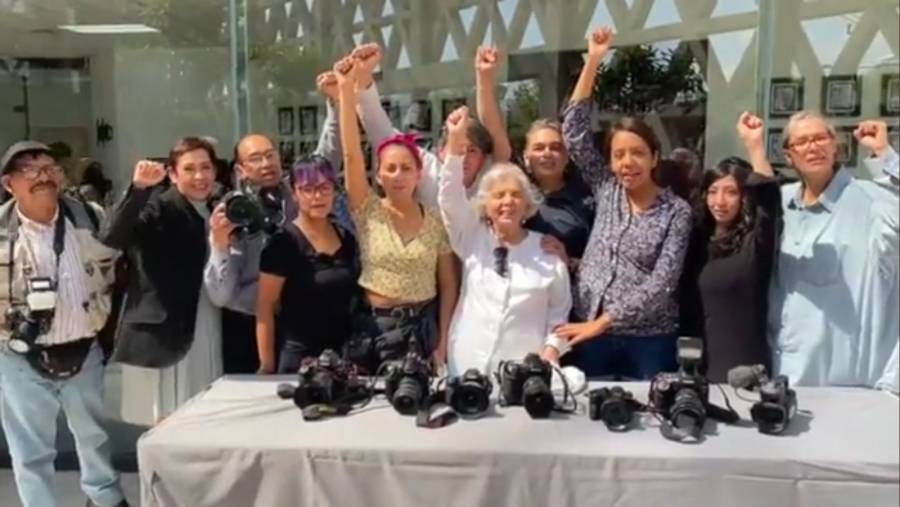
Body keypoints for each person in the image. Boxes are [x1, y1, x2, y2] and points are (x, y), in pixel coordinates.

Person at [554, 27, 693, 379]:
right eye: (619, 155)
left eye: (637, 154)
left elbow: (661, 284)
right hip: (589, 335)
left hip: (648, 341)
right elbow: (572, 130)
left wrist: (603, 322)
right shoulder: (607, 189)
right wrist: (594, 60)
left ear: (654, 158)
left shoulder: (676, 212)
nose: (627, 162)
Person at [0, 141, 128, 507]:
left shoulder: (87, 216)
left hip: (83, 349)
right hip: (18, 358)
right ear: (9, 184)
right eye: (30, 171)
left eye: (49, 168)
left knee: (95, 439)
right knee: (30, 449)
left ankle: (105, 500)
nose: (43, 177)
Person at [741, 111, 899, 391]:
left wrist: (883, 152)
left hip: (844, 380)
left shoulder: (868, 200)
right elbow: (764, 199)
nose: (813, 147)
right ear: (789, 155)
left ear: (835, 146)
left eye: (820, 138)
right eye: (802, 141)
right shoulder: (785, 201)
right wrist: (754, 146)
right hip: (783, 371)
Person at [204, 71, 345, 374]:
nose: (266, 163)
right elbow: (220, 295)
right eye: (256, 159)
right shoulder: (233, 211)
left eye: (270, 155)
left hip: (298, 325)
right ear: (240, 169)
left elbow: (327, 157)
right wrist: (219, 245)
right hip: (246, 328)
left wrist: (335, 103)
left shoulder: (295, 194)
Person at [335, 56, 458, 372]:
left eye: (407, 168)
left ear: (420, 174)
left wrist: (444, 339)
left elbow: (448, 285)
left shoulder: (434, 220)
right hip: (377, 331)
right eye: (390, 168)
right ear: (378, 175)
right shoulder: (368, 210)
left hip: (424, 329)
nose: (399, 175)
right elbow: (350, 155)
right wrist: (345, 92)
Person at [438, 108, 571, 376]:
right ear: (485, 205)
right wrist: (454, 145)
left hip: (523, 374)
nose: (507, 202)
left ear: (527, 205)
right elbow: (449, 199)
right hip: (466, 366)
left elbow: (559, 314)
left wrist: (552, 349)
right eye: (499, 196)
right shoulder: (471, 237)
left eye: (515, 195)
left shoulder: (548, 253)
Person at [103, 138, 222, 423]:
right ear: (173, 174)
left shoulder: (218, 208)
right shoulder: (160, 207)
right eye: (190, 168)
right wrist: (139, 190)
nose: (199, 176)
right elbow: (113, 236)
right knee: (165, 418)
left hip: (205, 318)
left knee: (201, 411)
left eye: (206, 167)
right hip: (165, 330)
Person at [352, 43, 511, 207]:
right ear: (440, 152)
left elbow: (495, 131)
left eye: (472, 150)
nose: (463, 157)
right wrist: (363, 77)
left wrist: (484, 78)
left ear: (482, 158)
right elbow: (380, 131)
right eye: (458, 148)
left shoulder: (489, 176)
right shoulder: (428, 170)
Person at [679, 129, 781, 381]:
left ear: (745, 197)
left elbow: (768, 201)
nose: (719, 201)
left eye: (731, 192)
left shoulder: (755, 244)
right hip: (697, 358)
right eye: (713, 191)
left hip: (740, 360)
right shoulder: (696, 241)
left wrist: (755, 145)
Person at [255, 156, 360, 373]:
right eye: (308, 189)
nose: (317, 196)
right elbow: (265, 306)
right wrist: (266, 366)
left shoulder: (345, 237)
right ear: (294, 193)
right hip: (299, 360)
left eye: (324, 187)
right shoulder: (283, 242)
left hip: (343, 359)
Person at [514, 118, 595, 274]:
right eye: (538, 148)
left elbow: (603, 261)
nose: (547, 154)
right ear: (526, 157)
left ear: (566, 157)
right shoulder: (514, 196)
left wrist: (569, 262)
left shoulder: (587, 202)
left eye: (555, 148)